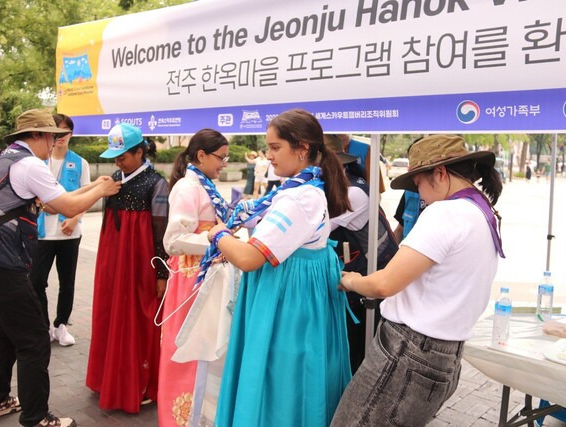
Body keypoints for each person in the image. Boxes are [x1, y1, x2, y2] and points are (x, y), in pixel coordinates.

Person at [0, 109, 120, 427]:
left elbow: (51, 202)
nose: (54, 142)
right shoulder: (29, 164)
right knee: (34, 340)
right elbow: (68, 208)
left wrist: (91, 188)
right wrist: (102, 191)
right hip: (1, 268)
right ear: (35, 135)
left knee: (5, 334)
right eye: (51, 136)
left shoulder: (5, 161)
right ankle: (36, 417)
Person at [332, 135, 504, 426]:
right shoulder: (482, 211)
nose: (419, 194)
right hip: (445, 354)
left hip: (410, 351)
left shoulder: (446, 213)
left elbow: (384, 284)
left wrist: (351, 280)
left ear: (440, 173)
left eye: (419, 183)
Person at [212, 109, 352, 426]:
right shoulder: (302, 190)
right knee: (295, 384)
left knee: (280, 387)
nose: (269, 156)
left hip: (288, 308)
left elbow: (249, 258)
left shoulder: (298, 198)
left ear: (301, 148)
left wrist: (217, 234)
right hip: (297, 302)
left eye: (275, 148)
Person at [85, 123, 169, 413]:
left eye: (123, 156)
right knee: (110, 314)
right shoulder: (114, 178)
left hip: (139, 262)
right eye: (115, 157)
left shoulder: (156, 183)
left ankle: (141, 383)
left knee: (138, 317)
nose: (117, 161)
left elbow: (161, 231)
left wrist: (161, 272)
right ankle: (107, 378)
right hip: (112, 260)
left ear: (140, 152)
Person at [159, 128, 230, 426]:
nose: (224, 164)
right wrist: (218, 240)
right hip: (192, 280)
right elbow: (173, 240)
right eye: (221, 157)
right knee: (190, 348)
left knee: (205, 349)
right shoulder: (188, 189)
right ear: (201, 155)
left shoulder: (203, 185)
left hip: (205, 275)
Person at [324, 134, 399, 374]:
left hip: (371, 280)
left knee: (358, 350)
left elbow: (312, 230)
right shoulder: (343, 185)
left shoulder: (352, 193)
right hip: (360, 278)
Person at [30, 114, 89, 346]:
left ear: (71, 135)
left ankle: (61, 325)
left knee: (68, 282)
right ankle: (44, 326)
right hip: (41, 234)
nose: (61, 137)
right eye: (57, 132)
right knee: (35, 282)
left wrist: (75, 218)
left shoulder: (80, 162)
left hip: (69, 234)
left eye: (65, 133)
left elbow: (86, 195)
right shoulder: (37, 162)